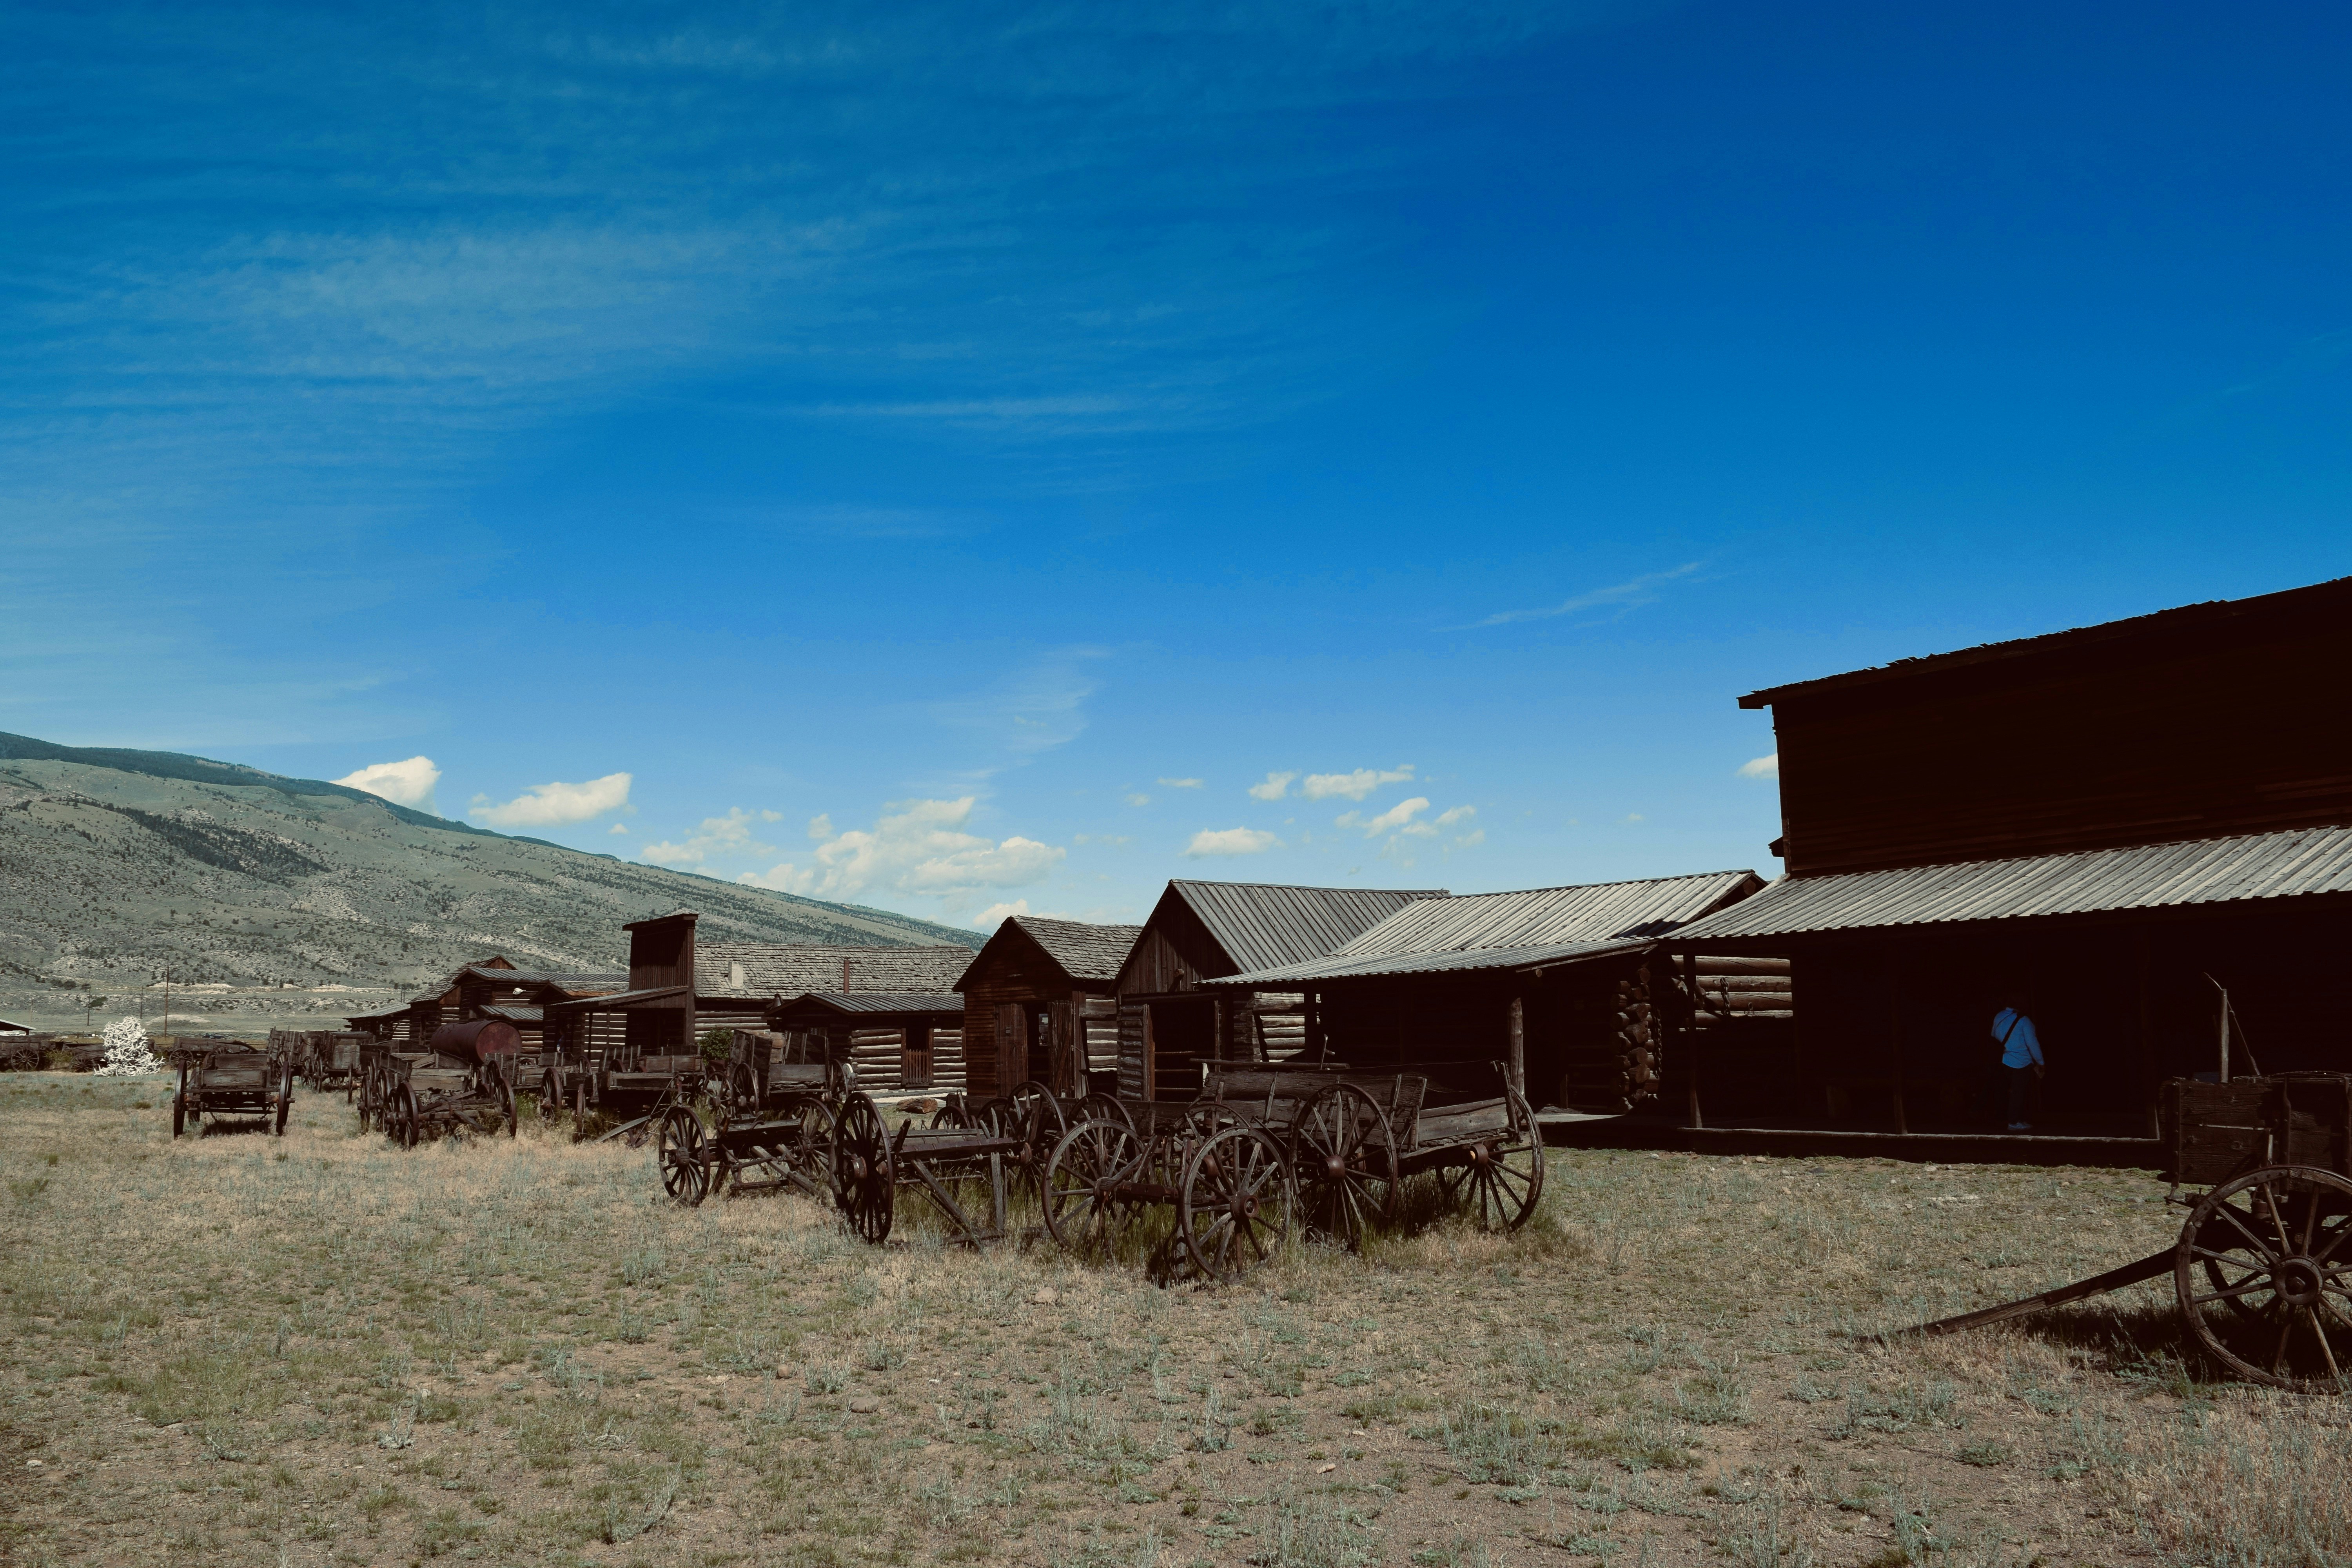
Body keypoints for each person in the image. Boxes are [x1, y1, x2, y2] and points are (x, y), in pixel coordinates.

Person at [1992, 997, 2043, 1131]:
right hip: (2022, 1061)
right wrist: (2041, 1062)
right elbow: (2033, 1043)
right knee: (2019, 1093)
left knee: (2006, 1092)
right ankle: (2014, 1122)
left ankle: (2011, 1119)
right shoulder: (2024, 1021)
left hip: (2004, 1060)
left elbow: (1994, 1036)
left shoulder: (1999, 1016)